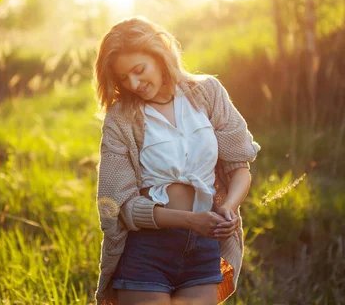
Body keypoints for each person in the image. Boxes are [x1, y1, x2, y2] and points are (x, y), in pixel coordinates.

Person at [93, 16, 260, 305]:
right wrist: (191, 220)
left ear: (159, 54)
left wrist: (228, 210)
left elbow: (239, 167)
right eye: (123, 78)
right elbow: (122, 206)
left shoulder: (207, 93)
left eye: (138, 70)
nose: (133, 83)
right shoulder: (120, 119)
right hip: (147, 249)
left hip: (204, 248)